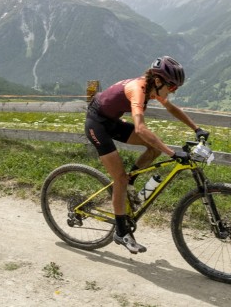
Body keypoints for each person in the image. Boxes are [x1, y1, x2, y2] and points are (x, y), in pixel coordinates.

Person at [85, 56, 207, 254]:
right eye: (173, 87)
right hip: (97, 124)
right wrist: (173, 153)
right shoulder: (139, 90)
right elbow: (141, 129)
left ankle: (131, 183)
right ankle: (121, 231)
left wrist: (197, 128)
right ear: (159, 81)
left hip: (112, 121)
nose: (173, 91)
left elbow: (171, 108)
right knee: (120, 179)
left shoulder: (153, 87)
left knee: (154, 149)